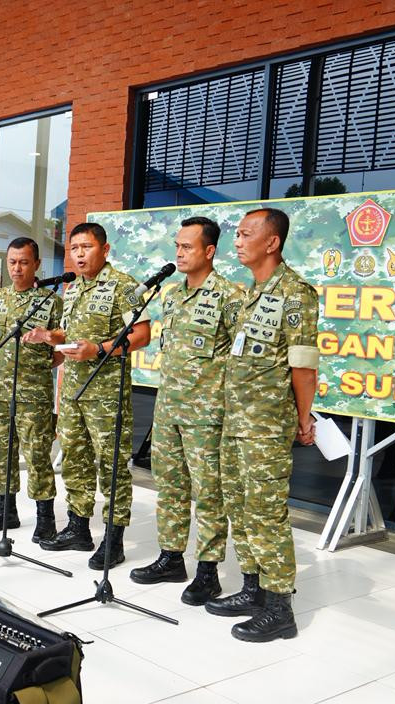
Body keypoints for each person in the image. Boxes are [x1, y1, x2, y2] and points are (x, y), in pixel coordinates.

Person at [204, 208, 319, 642]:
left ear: (272, 242)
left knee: (266, 514)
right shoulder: (249, 293)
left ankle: (279, 607)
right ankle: (252, 589)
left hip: (267, 426)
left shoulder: (295, 293)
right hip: (236, 422)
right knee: (240, 508)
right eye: (236, 234)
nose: (237, 241)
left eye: (246, 234)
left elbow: (303, 368)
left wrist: (303, 420)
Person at [129, 217, 241, 606]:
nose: (179, 253)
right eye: (177, 246)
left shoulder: (230, 296)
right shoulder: (172, 295)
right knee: (170, 486)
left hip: (206, 414)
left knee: (208, 492)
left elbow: (241, 358)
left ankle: (208, 571)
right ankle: (171, 557)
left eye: (187, 247)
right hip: (168, 410)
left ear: (209, 251)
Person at [26, 223, 150, 569]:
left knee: (111, 466)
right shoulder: (74, 288)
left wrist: (98, 349)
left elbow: (142, 335)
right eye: (74, 248)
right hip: (73, 392)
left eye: (87, 247)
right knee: (75, 460)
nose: (79, 254)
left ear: (105, 250)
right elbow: (71, 333)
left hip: (106, 394)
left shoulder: (123, 286)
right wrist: (50, 336)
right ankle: (78, 527)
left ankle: (114, 539)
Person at [0, 238, 64, 541]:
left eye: (24, 262)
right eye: (13, 262)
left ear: (37, 264)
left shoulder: (50, 301)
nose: (17, 268)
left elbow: (61, 349)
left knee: (37, 453)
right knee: (0, 450)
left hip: (33, 394)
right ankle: (7, 511)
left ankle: (45, 517)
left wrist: (33, 367)